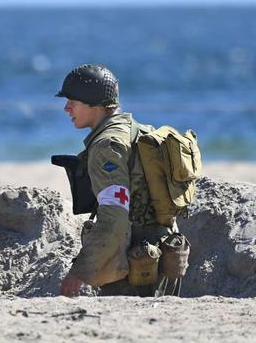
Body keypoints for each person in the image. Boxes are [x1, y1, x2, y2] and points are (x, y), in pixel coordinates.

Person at [56, 64, 181, 297]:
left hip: (136, 269)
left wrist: (79, 272)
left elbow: (114, 217)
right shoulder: (139, 131)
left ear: (93, 103)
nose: (66, 108)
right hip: (165, 258)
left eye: (73, 101)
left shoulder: (107, 146)